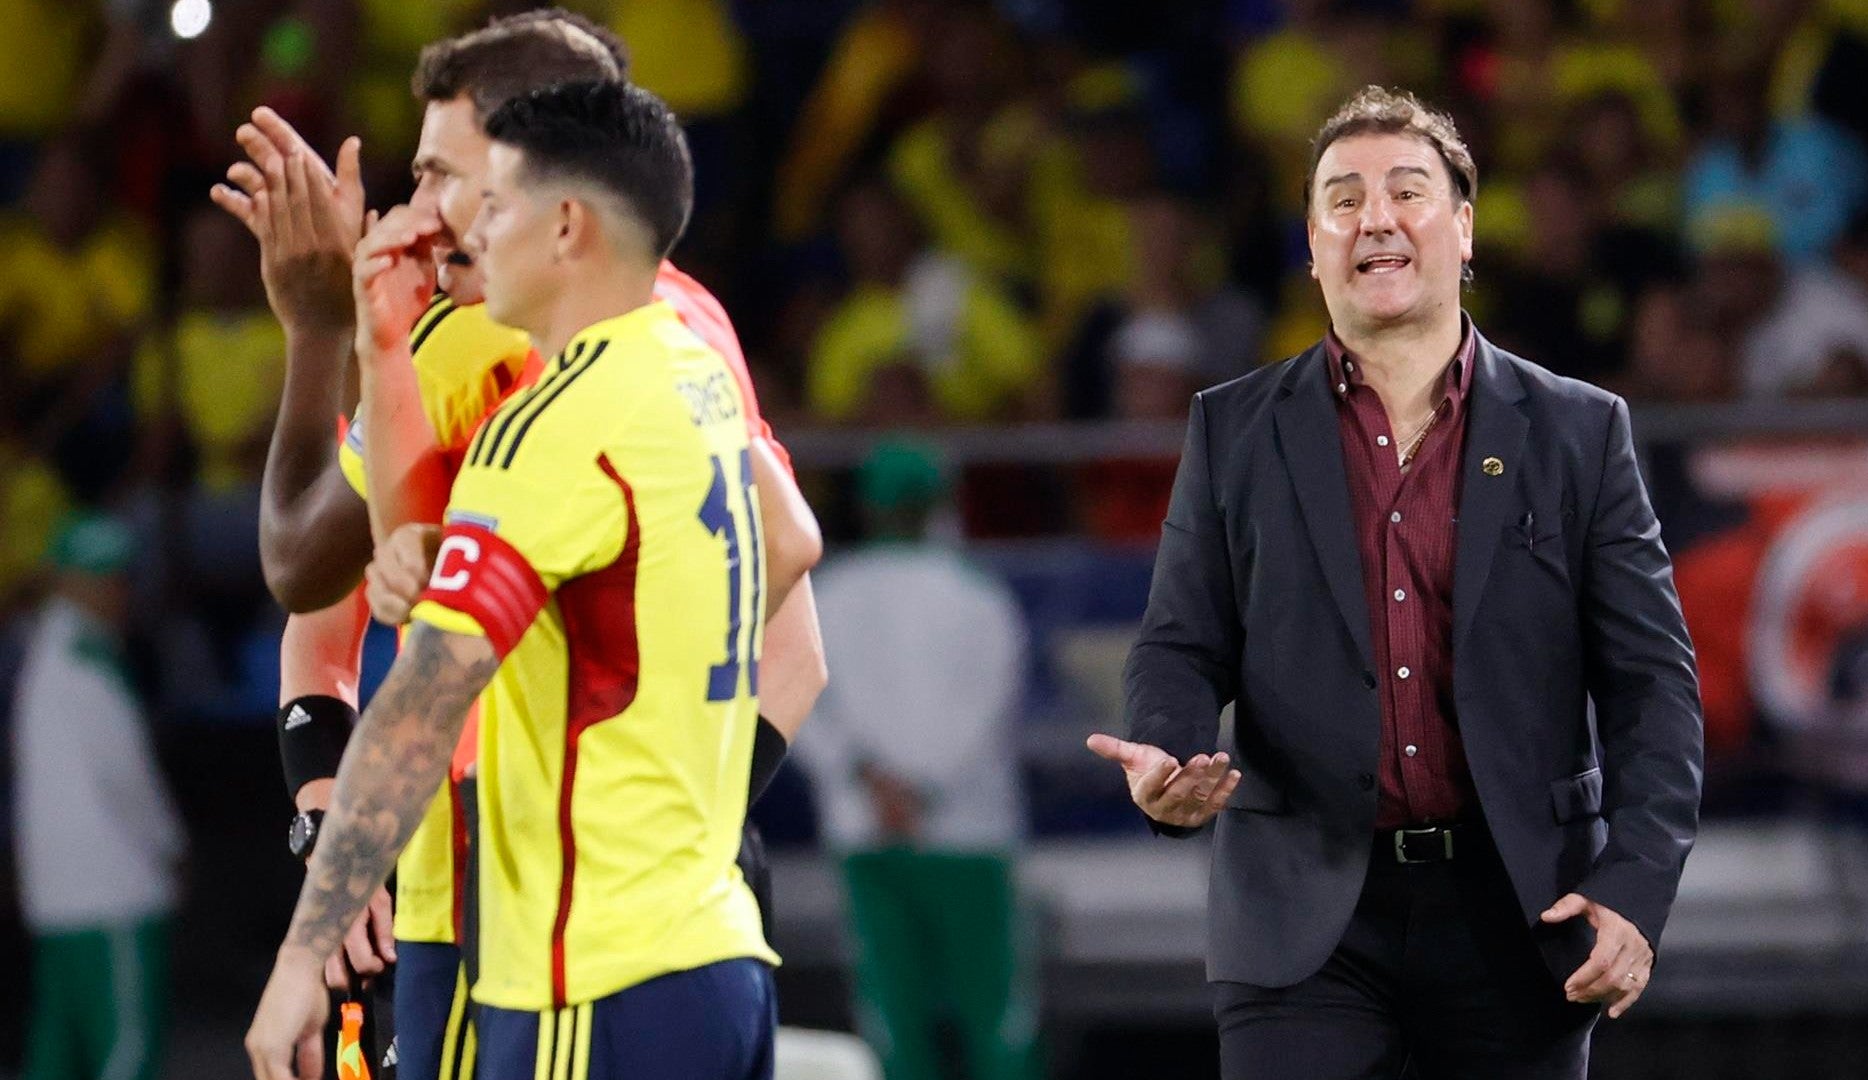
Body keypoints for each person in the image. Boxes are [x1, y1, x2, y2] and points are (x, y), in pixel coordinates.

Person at [212, 11, 827, 1080]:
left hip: (557, 934)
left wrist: (323, 331)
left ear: (547, 201)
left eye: (453, 178)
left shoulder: (545, 413)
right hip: (707, 921)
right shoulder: (688, 342)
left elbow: (389, 658)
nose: (422, 209)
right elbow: (793, 555)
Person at [1087, 86, 1704, 1079]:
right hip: (1298, 925)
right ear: (1314, 244)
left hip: (1522, 919)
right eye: (1344, 199)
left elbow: (1654, 688)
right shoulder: (1232, 428)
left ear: (1463, 230)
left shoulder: (1582, 432)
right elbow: (1180, 644)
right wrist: (1168, 762)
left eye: (1407, 191)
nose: (1374, 216)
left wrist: (1634, 885)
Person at [794, 441, 1039, 1080]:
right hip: (966, 833)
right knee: (996, 1022)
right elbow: (990, 706)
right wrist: (921, 790)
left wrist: (868, 780)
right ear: (939, 504)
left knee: (892, 1023)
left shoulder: (827, 593)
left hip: (867, 828)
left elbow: (796, 696)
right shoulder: (977, 594)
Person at [13, 512, 185, 1080]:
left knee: (56, 1057)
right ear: (69, 582)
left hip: (57, 895)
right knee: (124, 1052)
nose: (119, 591)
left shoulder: (47, 651)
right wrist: (170, 845)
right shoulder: (84, 660)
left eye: (122, 576)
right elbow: (125, 775)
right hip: (113, 892)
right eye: (106, 577)